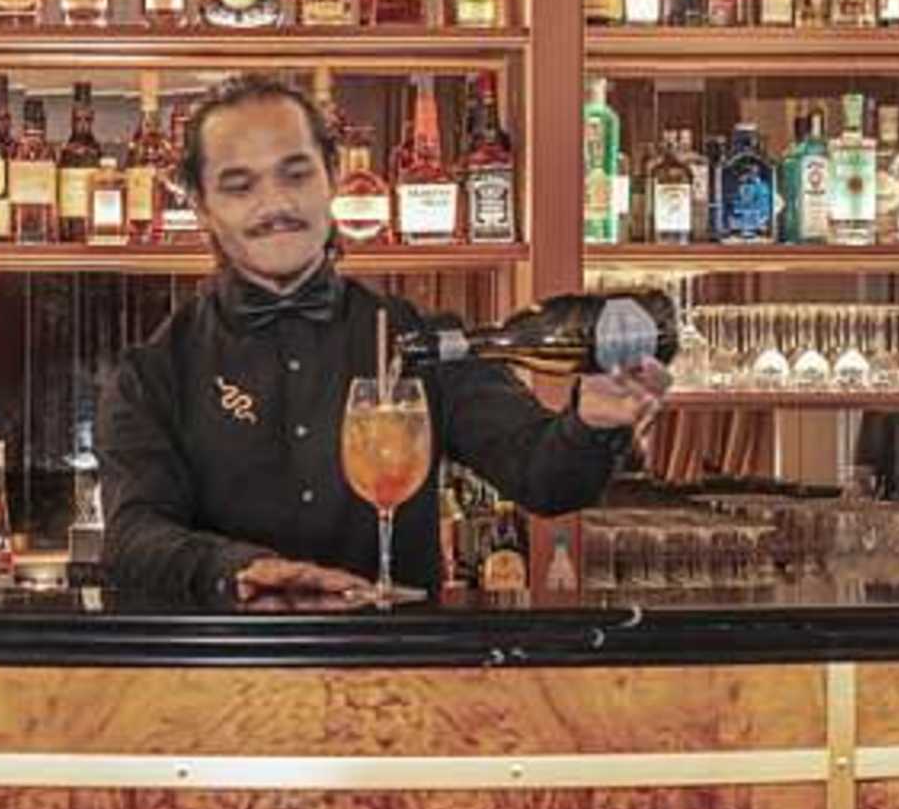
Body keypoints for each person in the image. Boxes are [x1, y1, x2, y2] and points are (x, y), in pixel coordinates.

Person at [95, 76, 665, 606]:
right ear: (201, 207)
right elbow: (132, 539)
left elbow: (545, 479)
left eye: (296, 174)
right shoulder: (154, 372)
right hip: (224, 671)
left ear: (332, 176)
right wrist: (240, 569)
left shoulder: (422, 341)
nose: (276, 205)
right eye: (239, 186)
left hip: (398, 666)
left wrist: (594, 422)